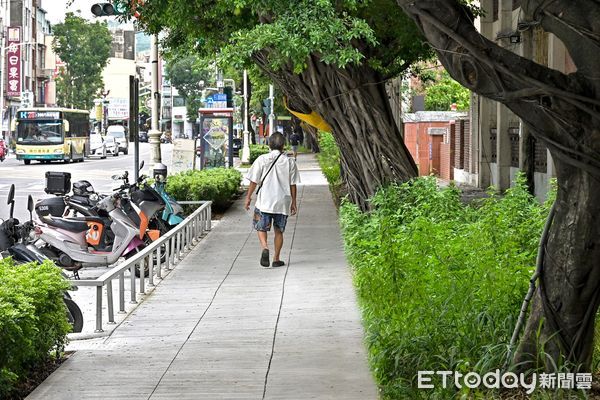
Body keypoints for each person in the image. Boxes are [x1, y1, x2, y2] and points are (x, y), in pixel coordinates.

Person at [244, 132, 300, 268]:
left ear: (269, 144)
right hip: (283, 202)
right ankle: (276, 259)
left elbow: (253, 180)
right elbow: (293, 184)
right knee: (279, 231)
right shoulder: (289, 162)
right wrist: (293, 202)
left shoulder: (262, 159)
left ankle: (265, 247)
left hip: (264, 202)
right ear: (283, 145)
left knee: (260, 227)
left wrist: (248, 197)